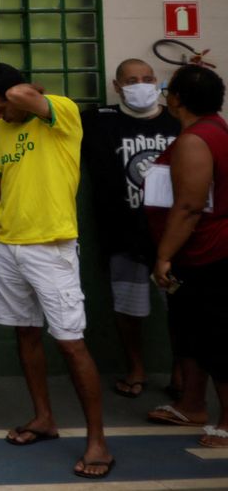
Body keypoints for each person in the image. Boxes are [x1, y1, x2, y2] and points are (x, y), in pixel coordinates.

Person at [0, 62, 111, 479]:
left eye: (1, 107)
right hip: (6, 246)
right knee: (26, 332)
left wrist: (22, 91)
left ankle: (98, 442)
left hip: (51, 248)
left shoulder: (60, 112)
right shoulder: (1, 130)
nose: (0, 115)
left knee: (70, 343)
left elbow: (21, 96)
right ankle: (44, 417)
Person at [81, 58, 180, 401]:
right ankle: (135, 368)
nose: (141, 85)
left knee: (181, 309)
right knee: (128, 307)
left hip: (175, 235)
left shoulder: (177, 120)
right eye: (131, 80)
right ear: (117, 86)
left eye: (147, 79)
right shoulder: (98, 122)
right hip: (123, 235)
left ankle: (181, 372)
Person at [149, 65, 228, 448]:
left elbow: (190, 206)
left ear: (176, 98)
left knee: (217, 338)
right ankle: (192, 405)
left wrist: (164, 256)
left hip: (209, 253)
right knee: (189, 333)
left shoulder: (197, 140)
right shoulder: (213, 130)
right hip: (194, 256)